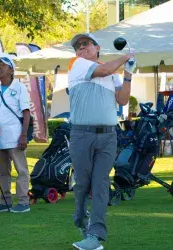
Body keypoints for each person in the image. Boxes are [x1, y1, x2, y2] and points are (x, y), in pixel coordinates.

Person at [68, 33, 136, 250]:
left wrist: (128, 73)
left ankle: (95, 236)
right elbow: (105, 69)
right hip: (81, 134)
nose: (81, 49)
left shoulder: (111, 75)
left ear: (97, 48)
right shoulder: (78, 65)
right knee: (82, 185)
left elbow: (123, 99)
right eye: (78, 46)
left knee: (101, 184)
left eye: (86, 44)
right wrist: (125, 57)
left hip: (108, 136)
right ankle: (79, 217)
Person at [0, 56, 31, 213]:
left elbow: (26, 113)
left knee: (21, 170)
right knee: (3, 172)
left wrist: (24, 135)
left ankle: (24, 202)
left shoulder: (20, 88)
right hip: (0, 138)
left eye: (3, 65)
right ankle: (5, 201)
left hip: (16, 136)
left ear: (11, 70)